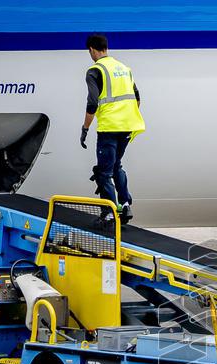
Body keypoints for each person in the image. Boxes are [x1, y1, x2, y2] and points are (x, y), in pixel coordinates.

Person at [80, 33, 145, 224]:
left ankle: (109, 213)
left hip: (109, 127)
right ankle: (125, 205)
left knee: (104, 172)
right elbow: (137, 97)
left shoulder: (94, 71)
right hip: (128, 126)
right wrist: (127, 116)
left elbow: (92, 102)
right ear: (106, 48)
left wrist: (85, 128)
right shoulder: (124, 68)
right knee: (116, 165)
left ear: (92, 49)